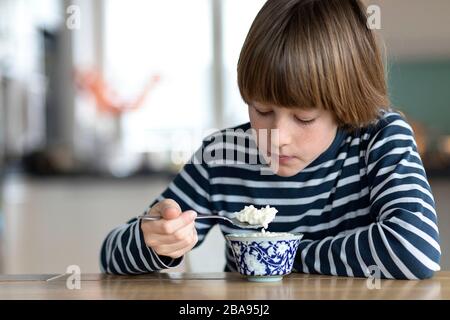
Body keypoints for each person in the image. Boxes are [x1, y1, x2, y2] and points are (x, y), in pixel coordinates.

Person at [100, 0, 441, 279]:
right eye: (262, 111)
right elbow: (110, 254)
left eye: (304, 117)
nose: (277, 139)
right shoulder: (225, 155)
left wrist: (283, 254)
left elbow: (414, 249)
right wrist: (153, 240)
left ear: (344, 105)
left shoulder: (378, 139)